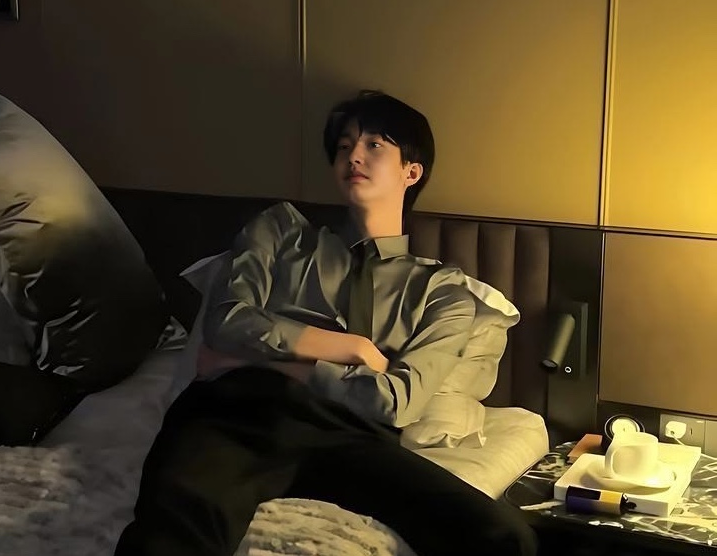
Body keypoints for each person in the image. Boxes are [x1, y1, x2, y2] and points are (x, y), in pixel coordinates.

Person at [115, 90, 537, 556]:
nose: (353, 156)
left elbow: (397, 402)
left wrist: (286, 363)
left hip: (352, 435)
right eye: (344, 146)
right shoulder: (281, 232)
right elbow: (227, 321)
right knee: (169, 538)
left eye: (374, 145)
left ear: (411, 172)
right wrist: (353, 348)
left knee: (504, 537)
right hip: (239, 412)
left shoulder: (442, 291)